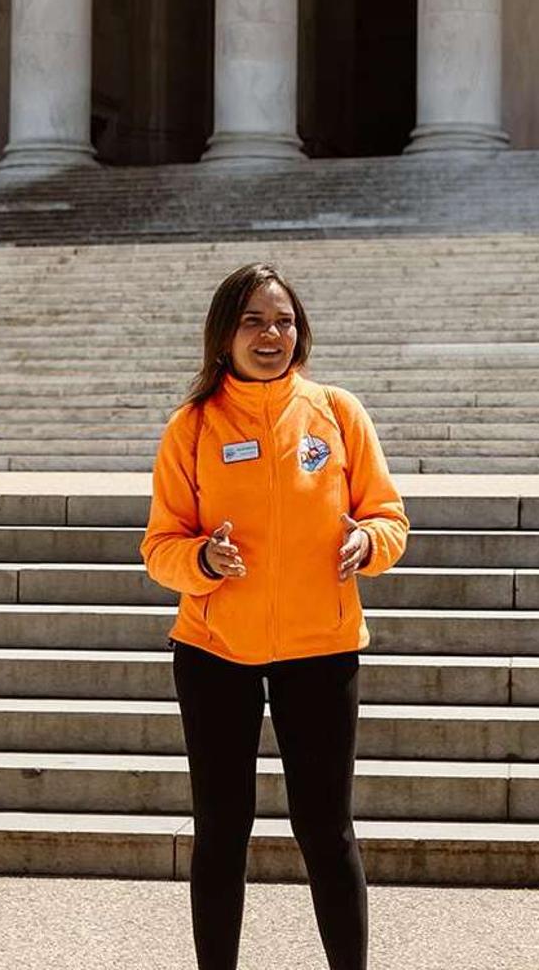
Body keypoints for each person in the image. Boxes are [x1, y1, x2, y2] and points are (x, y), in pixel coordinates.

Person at [140, 262, 409, 970]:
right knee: (221, 829)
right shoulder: (192, 426)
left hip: (321, 649)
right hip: (214, 651)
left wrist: (367, 542)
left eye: (284, 321)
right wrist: (203, 559)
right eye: (254, 321)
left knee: (327, 830)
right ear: (224, 334)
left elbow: (390, 517)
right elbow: (160, 547)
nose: (271, 334)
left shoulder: (337, 412)